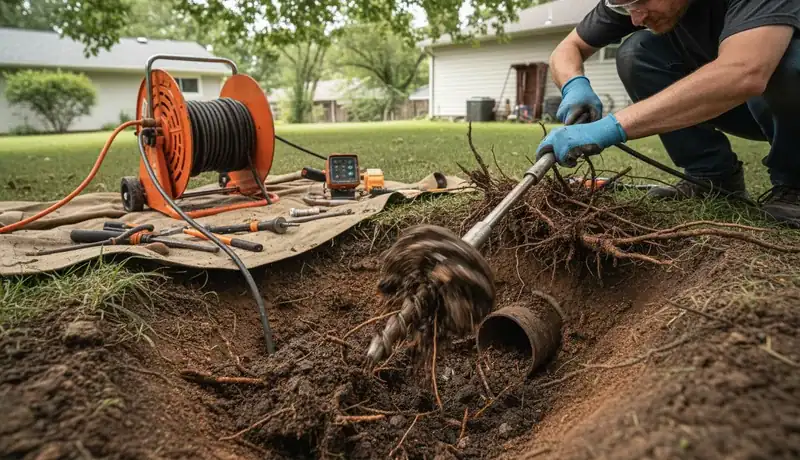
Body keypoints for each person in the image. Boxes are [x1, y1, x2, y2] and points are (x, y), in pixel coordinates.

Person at [535, 0, 800, 226]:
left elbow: (745, 72)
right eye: (627, 7)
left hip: (780, 93)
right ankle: (711, 177)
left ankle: (795, 184)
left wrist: (610, 127)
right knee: (637, 52)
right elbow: (566, 49)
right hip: (733, 103)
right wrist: (574, 85)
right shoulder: (630, 4)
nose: (636, 17)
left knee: (786, 59)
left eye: (641, 2)